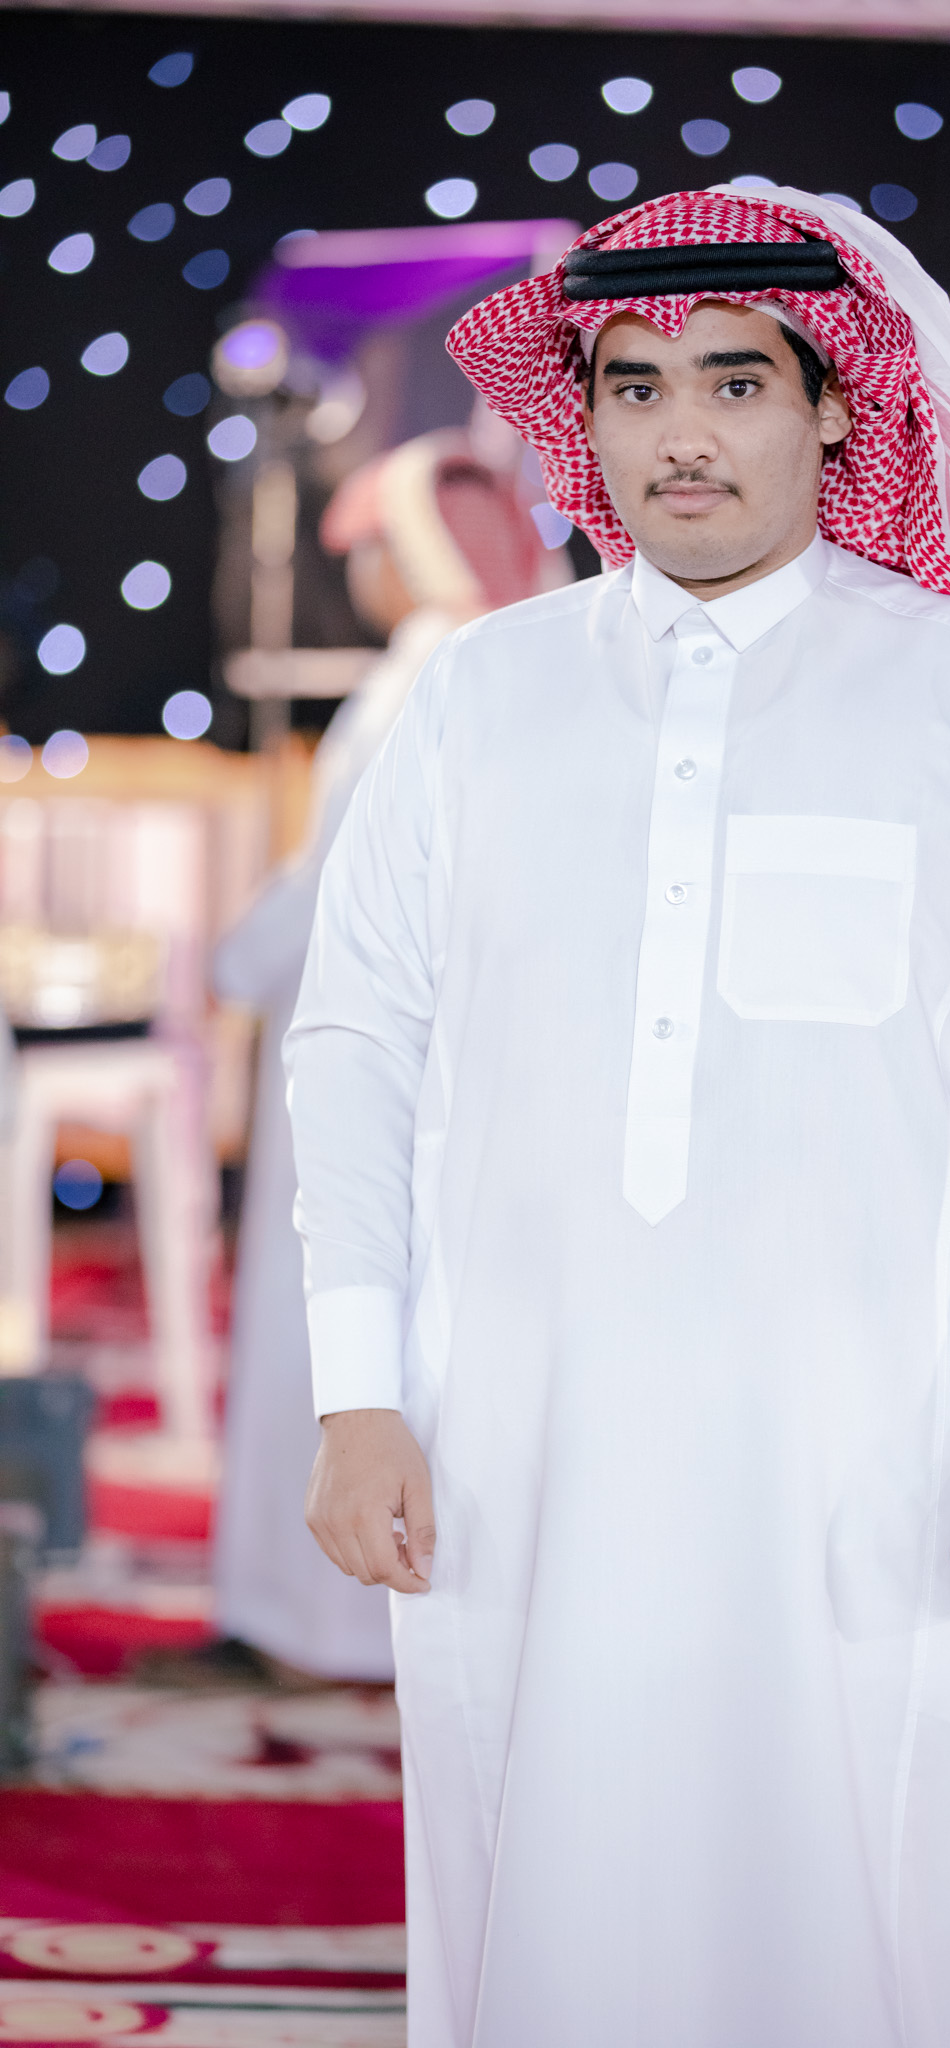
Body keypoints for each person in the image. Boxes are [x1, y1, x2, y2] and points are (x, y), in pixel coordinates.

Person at [286, 187, 950, 2046]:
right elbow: (357, 1042)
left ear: (837, 403)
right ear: (582, 419)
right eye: (633, 388)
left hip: (897, 1460)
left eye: (733, 381)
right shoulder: (481, 698)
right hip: (526, 1447)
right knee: (556, 1898)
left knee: (895, 1918)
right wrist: (357, 1391)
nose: (680, 435)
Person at [212, 428, 563, 1680]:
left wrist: (221, 971)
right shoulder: (535, 670)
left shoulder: (429, 672)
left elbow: (337, 894)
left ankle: (315, 1626)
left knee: (334, 1324)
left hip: (366, 1050)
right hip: (472, 1061)